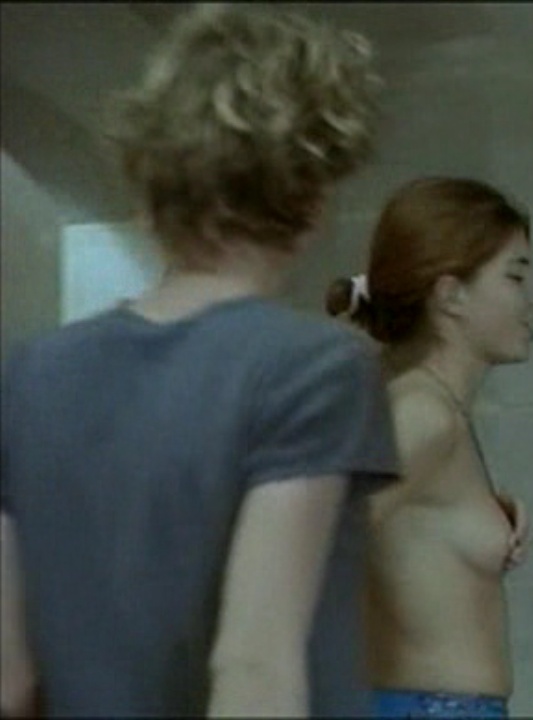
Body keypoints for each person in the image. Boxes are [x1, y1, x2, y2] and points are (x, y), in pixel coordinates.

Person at [0, 4, 399, 717]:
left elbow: (9, 681)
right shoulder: (313, 368)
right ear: (312, 193)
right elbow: (254, 668)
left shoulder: (27, 376)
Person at [324, 177, 533, 719]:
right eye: (515, 276)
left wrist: (483, 516)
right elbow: (307, 543)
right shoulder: (423, 415)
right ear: (451, 295)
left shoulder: (430, 409)